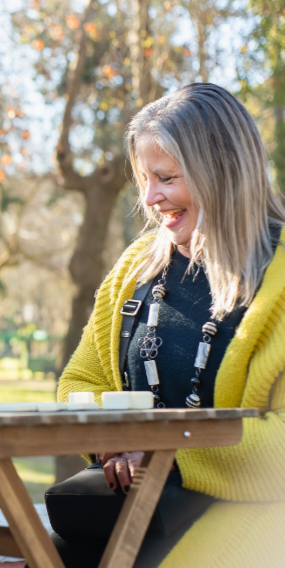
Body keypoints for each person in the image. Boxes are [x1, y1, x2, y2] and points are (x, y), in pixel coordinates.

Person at [57, 83, 285, 566]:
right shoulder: (134, 267)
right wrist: (111, 437)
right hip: (136, 504)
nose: (150, 197)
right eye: (144, 178)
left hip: (258, 512)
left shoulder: (278, 279)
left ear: (221, 172)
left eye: (165, 177)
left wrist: (166, 455)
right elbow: (80, 381)